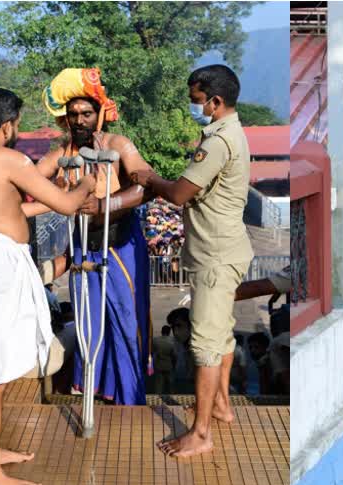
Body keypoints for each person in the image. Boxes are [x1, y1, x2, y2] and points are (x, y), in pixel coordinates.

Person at [0, 88, 96, 485]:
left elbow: (3, 211)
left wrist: (56, 201)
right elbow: (66, 204)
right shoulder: (11, 159)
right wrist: (86, 186)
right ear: (9, 124)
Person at [129, 65, 254, 457]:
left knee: (204, 345)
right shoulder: (229, 132)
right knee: (222, 334)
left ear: (216, 102)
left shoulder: (218, 142)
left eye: (197, 101)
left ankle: (200, 434)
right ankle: (219, 405)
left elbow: (180, 194)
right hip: (223, 248)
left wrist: (150, 179)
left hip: (215, 257)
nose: (193, 108)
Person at [36, 68, 154, 405]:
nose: (79, 120)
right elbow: (30, 179)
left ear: (99, 113)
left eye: (86, 113)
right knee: (90, 323)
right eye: (72, 114)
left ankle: (130, 399)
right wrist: (52, 187)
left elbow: (146, 184)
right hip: (83, 248)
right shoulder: (62, 152)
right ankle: (97, 395)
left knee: (125, 324)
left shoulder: (119, 145)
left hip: (120, 246)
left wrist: (104, 204)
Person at [167, 307, 195, 393]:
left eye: (179, 326)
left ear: (191, 326)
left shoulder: (199, 349)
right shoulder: (179, 345)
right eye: (173, 327)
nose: (175, 332)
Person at [147, 326, 176, 394]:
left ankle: (158, 397)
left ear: (161, 331)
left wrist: (150, 368)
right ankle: (171, 397)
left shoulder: (155, 340)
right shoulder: (172, 341)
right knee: (170, 384)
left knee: (158, 384)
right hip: (169, 365)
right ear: (169, 332)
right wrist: (174, 365)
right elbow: (175, 355)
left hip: (158, 365)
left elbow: (150, 353)